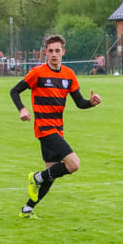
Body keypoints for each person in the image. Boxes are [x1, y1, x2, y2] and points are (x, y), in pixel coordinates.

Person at [9, 34, 101, 219]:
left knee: (51, 174)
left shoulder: (69, 75)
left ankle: (27, 209)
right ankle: (36, 178)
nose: (54, 54)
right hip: (44, 128)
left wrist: (91, 102)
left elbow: (80, 103)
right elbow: (15, 90)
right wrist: (22, 110)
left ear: (63, 52)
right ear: (46, 52)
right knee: (73, 164)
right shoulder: (37, 73)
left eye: (57, 51)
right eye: (50, 51)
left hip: (58, 128)